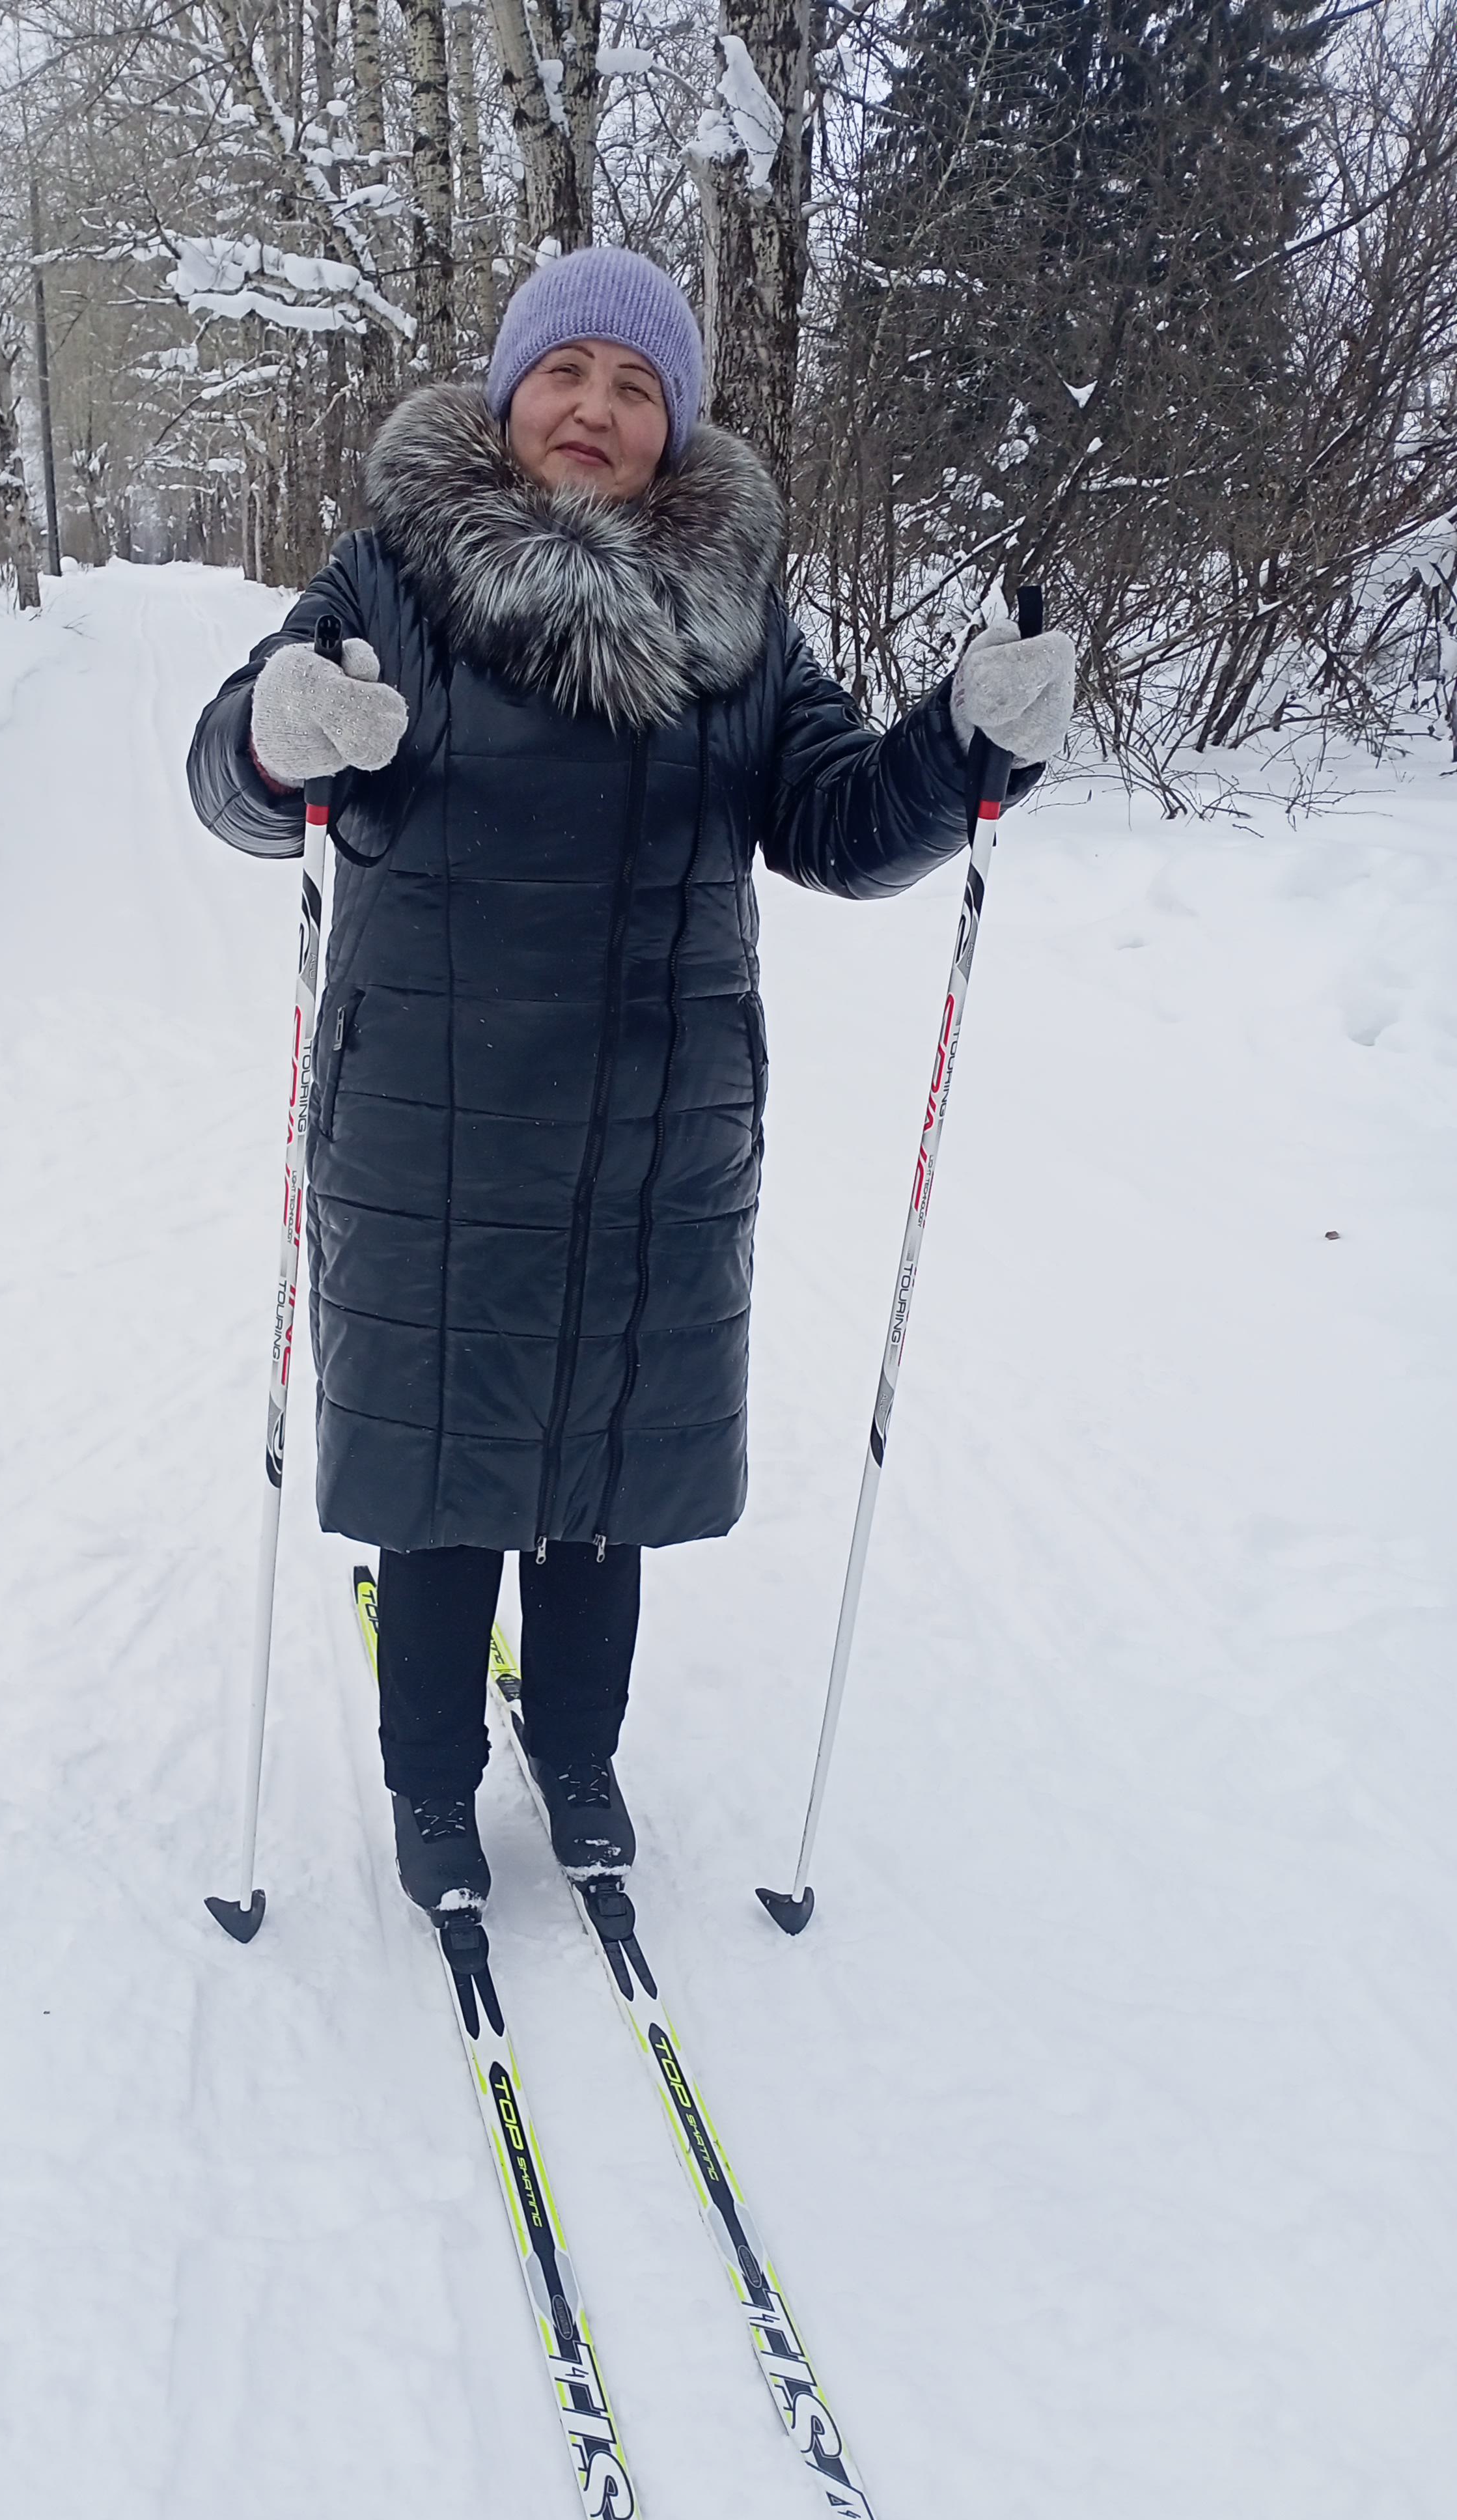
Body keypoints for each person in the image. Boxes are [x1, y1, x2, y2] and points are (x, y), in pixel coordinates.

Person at [189, 247, 1075, 1918]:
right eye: (568, 371)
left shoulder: (734, 620)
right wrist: (272, 732)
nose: (596, 408)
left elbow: (835, 815)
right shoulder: (388, 581)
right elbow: (238, 782)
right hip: (434, 1127)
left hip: (657, 1128)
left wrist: (969, 740)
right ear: (509, 392)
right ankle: (430, 1780)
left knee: (607, 1478)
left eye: (637, 385)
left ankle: (579, 1747)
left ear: (675, 424)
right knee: (445, 1476)